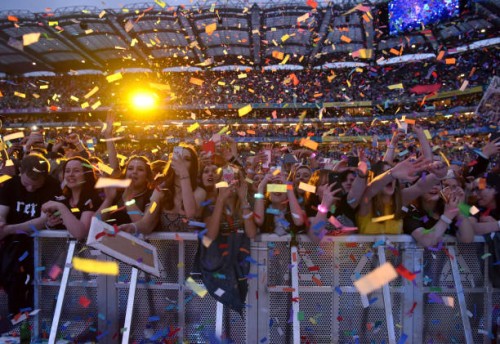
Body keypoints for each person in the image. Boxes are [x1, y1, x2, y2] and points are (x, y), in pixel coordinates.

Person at [0, 154, 61, 318]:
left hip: (45, 246)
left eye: (36, 186)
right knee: (14, 278)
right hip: (15, 246)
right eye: (26, 184)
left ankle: (40, 318)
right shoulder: (10, 185)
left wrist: (9, 229)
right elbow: (1, 213)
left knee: (42, 283)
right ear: (20, 171)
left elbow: (43, 220)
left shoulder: (53, 186)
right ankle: (17, 316)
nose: (30, 189)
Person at [199, 165, 257, 313]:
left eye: (233, 179)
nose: (230, 183)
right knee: (218, 303)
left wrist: (243, 199)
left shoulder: (246, 203)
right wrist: (220, 200)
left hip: (240, 265)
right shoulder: (210, 206)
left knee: (239, 300)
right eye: (225, 180)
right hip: (217, 264)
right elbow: (210, 235)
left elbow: (251, 233)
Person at [118, 144, 206, 234]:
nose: (181, 162)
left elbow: (190, 213)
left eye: (186, 159)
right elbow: (146, 224)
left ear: (193, 165)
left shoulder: (200, 192)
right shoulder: (160, 191)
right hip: (163, 247)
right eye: (178, 158)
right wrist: (132, 227)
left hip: (191, 247)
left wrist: (183, 174)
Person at [41, 156, 102, 239]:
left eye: (76, 171)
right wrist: (49, 224)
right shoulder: (61, 200)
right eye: (67, 171)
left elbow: (80, 233)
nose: (71, 174)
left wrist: (61, 208)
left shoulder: (92, 200)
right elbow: (42, 222)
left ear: (86, 175)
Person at [99, 156, 153, 225]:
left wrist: (128, 201)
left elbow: (144, 226)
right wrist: (108, 199)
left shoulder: (152, 197)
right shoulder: (117, 194)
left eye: (140, 169)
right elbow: (97, 221)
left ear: (147, 176)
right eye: (130, 169)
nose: (134, 172)